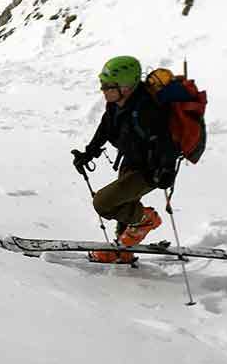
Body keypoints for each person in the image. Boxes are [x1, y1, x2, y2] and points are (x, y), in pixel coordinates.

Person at [71, 55, 179, 264]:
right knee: (124, 204)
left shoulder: (148, 109)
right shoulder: (116, 103)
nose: (103, 90)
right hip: (132, 160)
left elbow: (167, 141)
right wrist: (88, 153)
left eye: (108, 86)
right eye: (102, 85)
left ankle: (145, 220)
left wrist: (166, 169)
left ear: (127, 86)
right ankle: (123, 249)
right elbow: (105, 128)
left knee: (103, 203)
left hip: (150, 170)